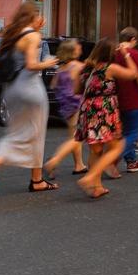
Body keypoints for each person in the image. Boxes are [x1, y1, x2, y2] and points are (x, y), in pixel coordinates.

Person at [0, 3, 59, 198]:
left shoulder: (13, 35)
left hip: (11, 89)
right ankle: (35, 180)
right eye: (39, 16)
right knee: (35, 134)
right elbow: (31, 65)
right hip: (30, 89)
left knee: (15, 134)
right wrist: (48, 62)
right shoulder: (33, 36)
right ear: (34, 18)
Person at [72, 40, 125, 199]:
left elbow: (76, 90)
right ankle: (89, 178)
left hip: (87, 110)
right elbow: (133, 74)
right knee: (117, 146)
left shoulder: (86, 69)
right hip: (104, 111)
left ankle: (96, 186)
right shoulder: (110, 68)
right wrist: (127, 54)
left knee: (96, 150)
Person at [43, 39, 88, 180]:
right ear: (73, 51)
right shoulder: (77, 66)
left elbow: (53, 86)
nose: (80, 48)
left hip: (66, 106)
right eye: (78, 46)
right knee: (78, 137)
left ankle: (79, 165)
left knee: (74, 136)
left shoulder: (61, 69)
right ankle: (53, 161)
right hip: (78, 104)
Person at [112, 27, 138, 174]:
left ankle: (131, 161)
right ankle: (112, 159)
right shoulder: (134, 54)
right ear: (133, 39)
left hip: (117, 98)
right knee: (133, 133)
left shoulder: (113, 54)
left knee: (124, 132)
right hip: (132, 98)